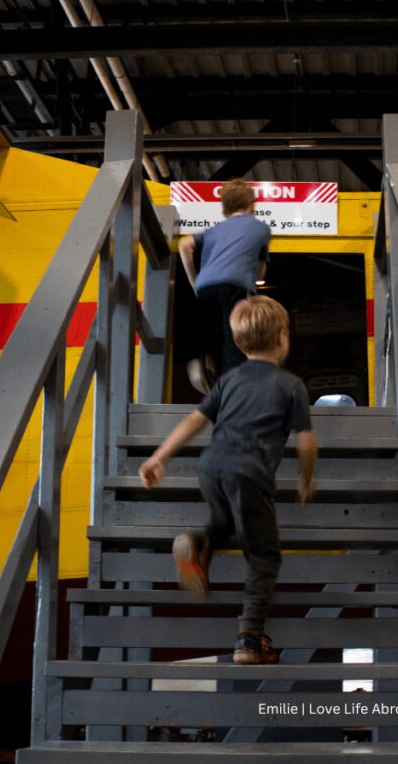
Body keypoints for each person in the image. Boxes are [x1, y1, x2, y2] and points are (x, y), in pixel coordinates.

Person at [138, 296, 318, 665]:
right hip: (249, 474)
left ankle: (198, 540)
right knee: (264, 557)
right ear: (284, 337)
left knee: (224, 522)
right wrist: (306, 479)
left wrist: (159, 457)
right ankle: (250, 639)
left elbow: (194, 420)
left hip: (211, 468)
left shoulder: (229, 380)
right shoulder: (291, 385)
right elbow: (307, 439)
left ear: (238, 343)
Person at [178, 178, 271, 393]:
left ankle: (198, 363)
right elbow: (261, 268)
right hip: (237, 285)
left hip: (206, 286)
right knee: (233, 337)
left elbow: (184, 245)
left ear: (226, 208)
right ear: (252, 205)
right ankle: (234, 385)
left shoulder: (215, 230)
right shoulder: (261, 228)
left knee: (208, 331)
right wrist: (255, 287)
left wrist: (195, 281)